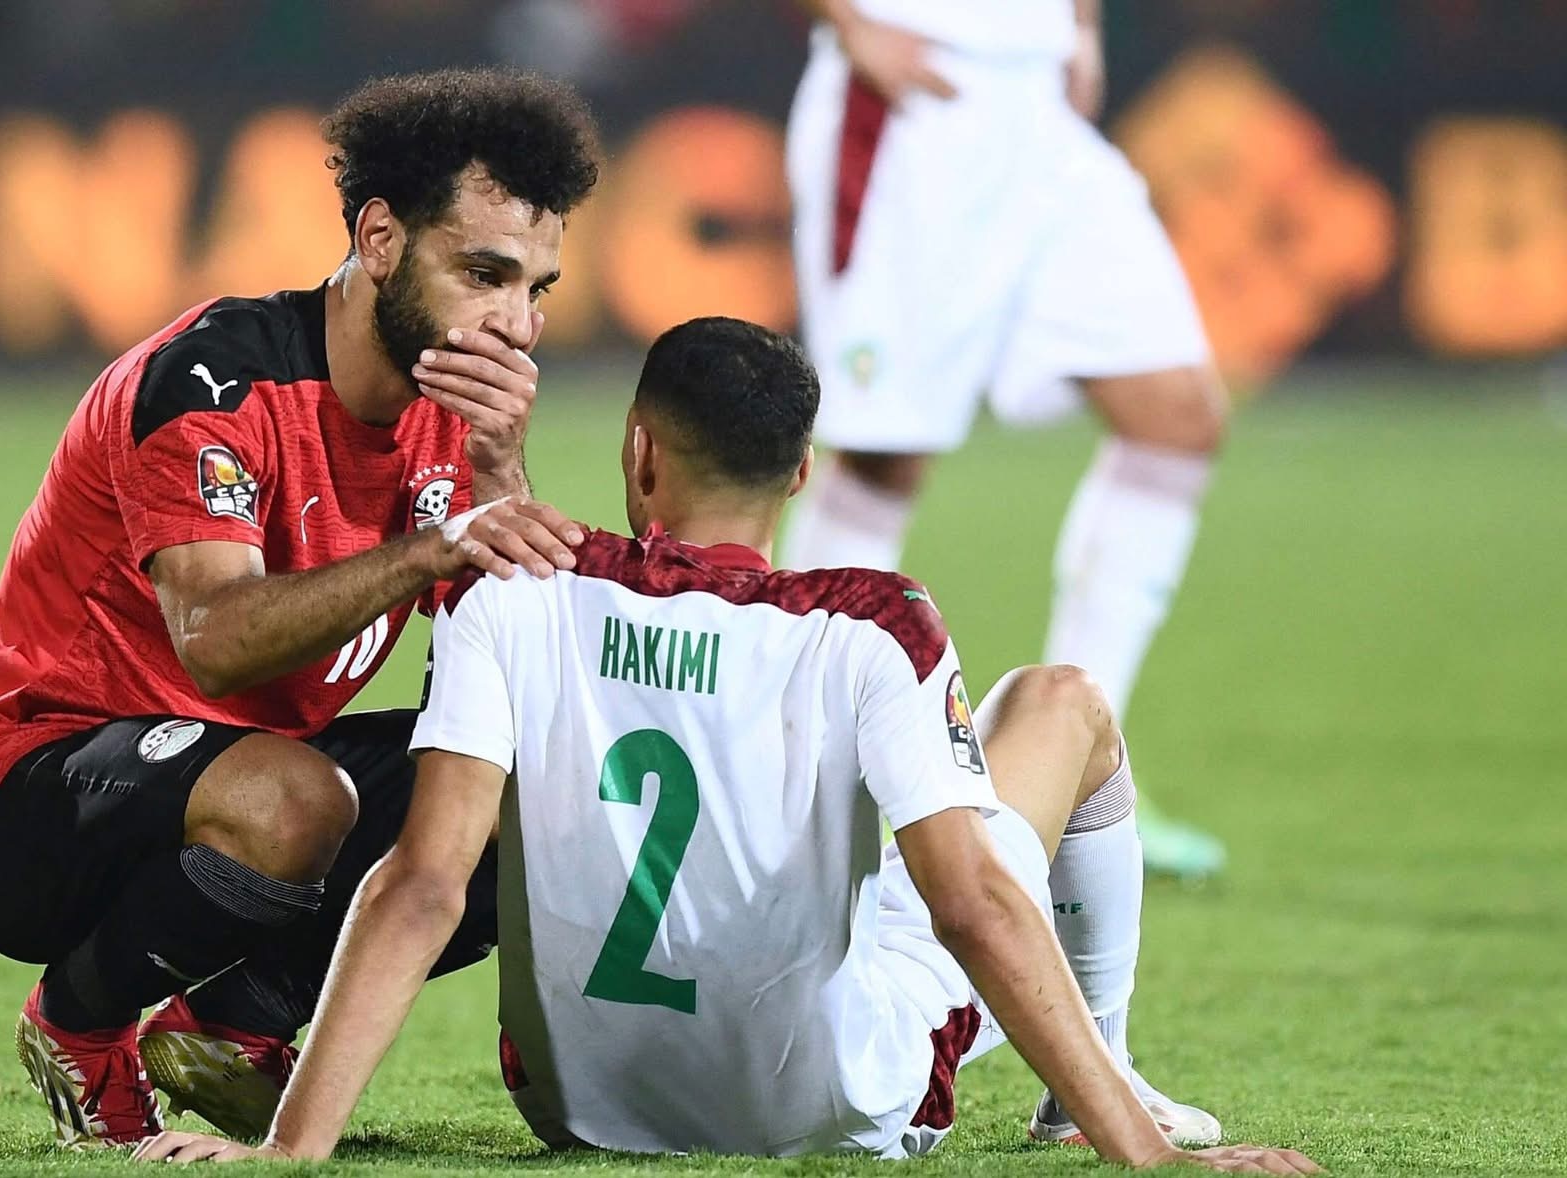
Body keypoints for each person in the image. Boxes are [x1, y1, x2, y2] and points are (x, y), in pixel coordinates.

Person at [133, 318, 1318, 1172]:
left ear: (638, 451)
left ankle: (1085, 1078)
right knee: (1059, 703)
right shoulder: (872, 623)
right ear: (800, 473)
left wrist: (291, 1149)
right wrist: (1151, 1164)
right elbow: (975, 908)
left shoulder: (509, 591)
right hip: (829, 1107)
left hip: (578, 1104)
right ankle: (1100, 1089)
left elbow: (423, 882)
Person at [0, 67, 601, 1149]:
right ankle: (80, 1024)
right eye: (483, 274)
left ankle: (234, 1028)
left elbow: (517, 676)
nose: (514, 327)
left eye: (536, 289)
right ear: (380, 238)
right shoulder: (212, 382)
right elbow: (219, 641)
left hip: (256, 783)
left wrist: (498, 476)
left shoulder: (452, 409)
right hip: (31, 798)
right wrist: (434, 546)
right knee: (294, 800)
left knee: (540, 792)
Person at [780, 0, 1228, 879]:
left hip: (1042, 114)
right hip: (915, 102)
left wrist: (1081, 26)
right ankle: (791, 782)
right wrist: (851, 24)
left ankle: (1077, 779)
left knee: (1176, 416)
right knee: (882, 457)